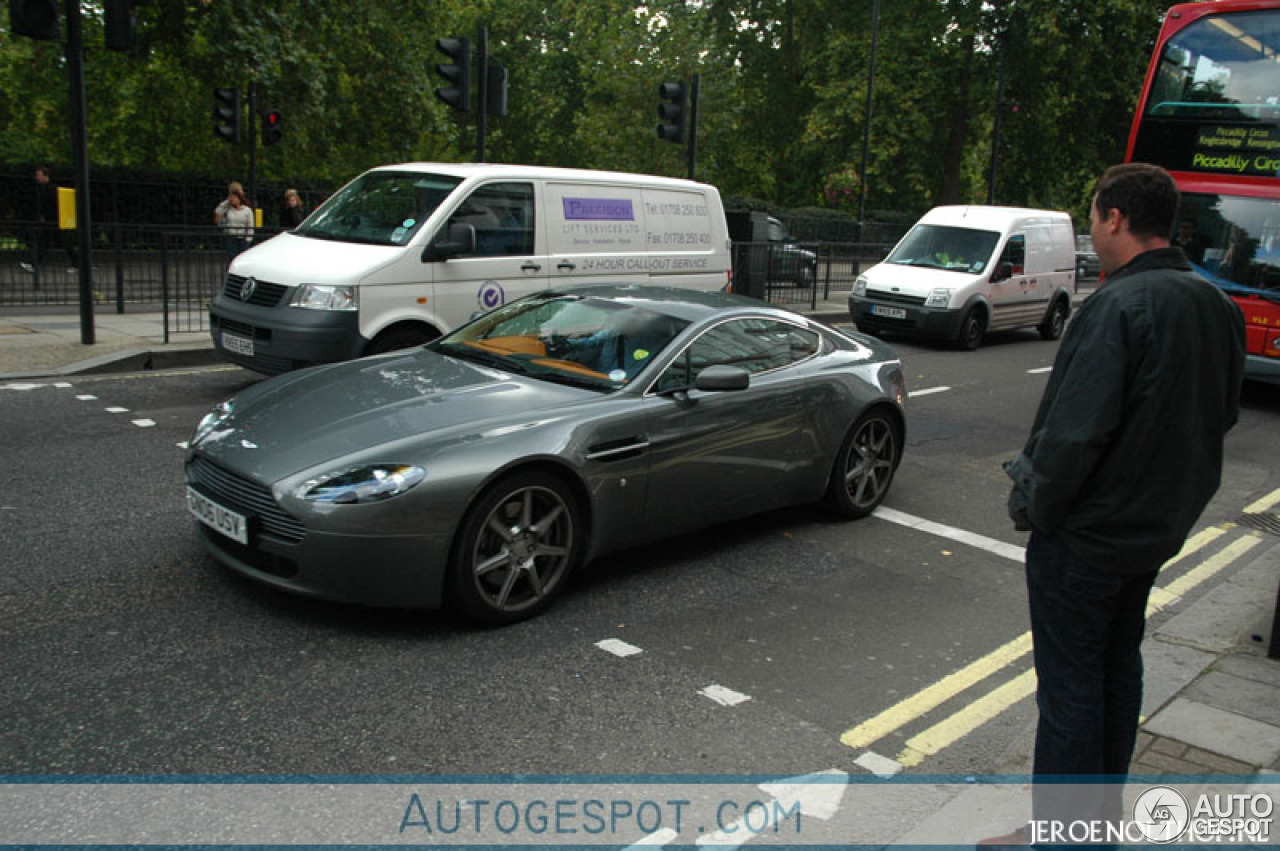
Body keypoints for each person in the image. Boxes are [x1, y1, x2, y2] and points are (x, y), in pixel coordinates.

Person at [984, 163, 1245, 849]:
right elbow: (1220, 416)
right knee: (1116, 671)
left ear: (1116, 219)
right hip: (1152, 534)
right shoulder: (1215, 304)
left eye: (1094, 216)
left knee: (1069, 692)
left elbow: (1072, 435)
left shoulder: (1115, 309)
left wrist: (1032, 504)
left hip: (1085, 540)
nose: (1091, 230)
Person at [20, 165, 78, 278]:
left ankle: (76, 262)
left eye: (39, 175)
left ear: (46, 176)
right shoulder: (46, 189)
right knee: (46, 241)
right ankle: (34, 263)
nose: (37, 177)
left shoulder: (51, 189)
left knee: (64, 242)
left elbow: (51, 205)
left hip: (55, 219)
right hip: (52, 219)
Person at [214, 184, 254, 261]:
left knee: (242, 258)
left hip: (243, 238)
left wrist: (248, 239)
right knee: (232, 257)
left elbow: (250, 225)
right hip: (231, 237)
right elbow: (218, 210)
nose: (233, 199)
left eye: (234, 197)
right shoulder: (229, 208)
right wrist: (227, 201)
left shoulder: (247, 210)